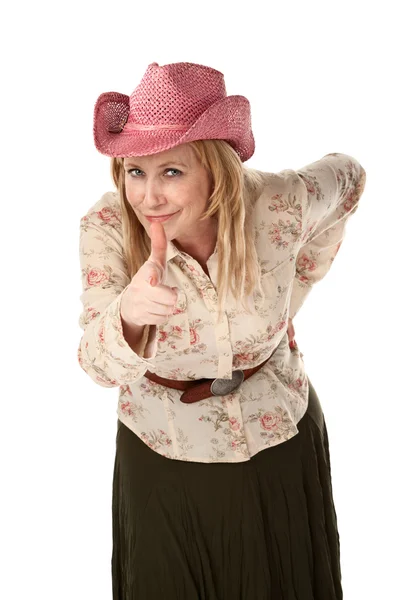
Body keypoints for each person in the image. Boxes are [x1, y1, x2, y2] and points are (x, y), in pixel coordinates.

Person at [77, 61, 366, 599]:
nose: (149, 198)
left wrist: (296, 284)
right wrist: (131, 313)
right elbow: (96, 365)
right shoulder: (108, 228)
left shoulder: (279, 202)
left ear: (216, 167)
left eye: (171, 172)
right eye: (136, 172)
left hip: (279, 437)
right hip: (164, 456)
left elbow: (348, 178)